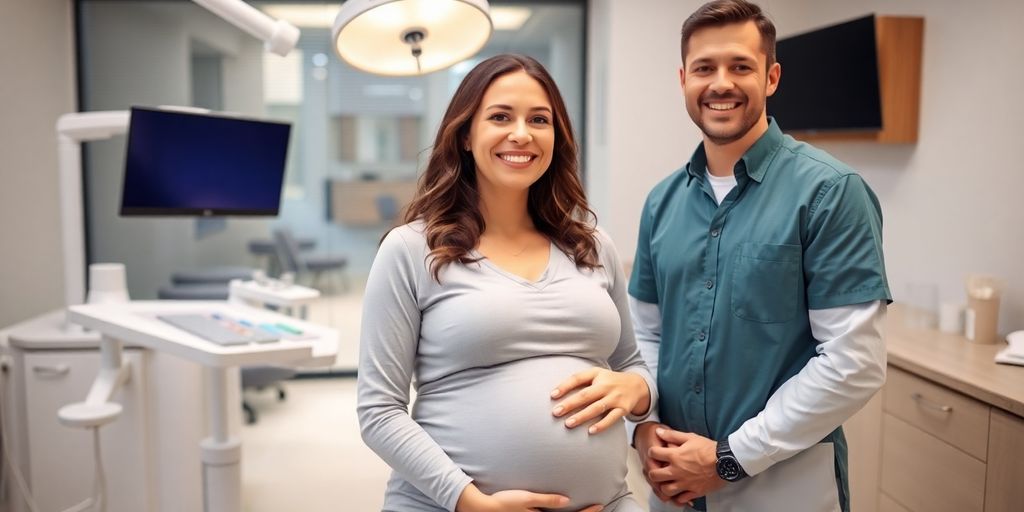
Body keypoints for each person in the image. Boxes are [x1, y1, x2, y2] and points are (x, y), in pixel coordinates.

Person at [358, 53, 656, 512]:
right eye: (500, 116)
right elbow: (379, 412)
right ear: (464, 135)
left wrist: (639, 391)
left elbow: (632, 364)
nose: (521, 133)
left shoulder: (593, 246)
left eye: (539, 119)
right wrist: (471, 502)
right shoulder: (412, 249)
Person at [627, 1, 891, 511]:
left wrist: (730, 457)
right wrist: (645, 430)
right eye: (704, 68)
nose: (720, 83)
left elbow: (852, 363)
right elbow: (645, 335)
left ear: (771, 77)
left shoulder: (830, 193)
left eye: (740, 66)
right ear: (683, 79)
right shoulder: (662, 202)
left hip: (783, 489)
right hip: (674, 486)